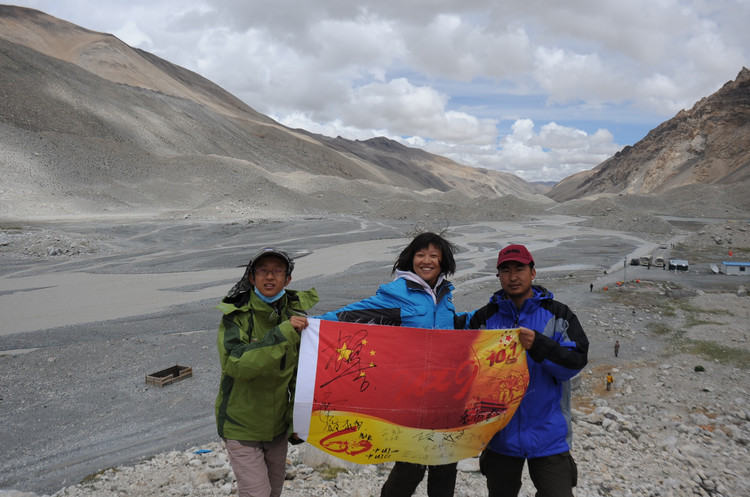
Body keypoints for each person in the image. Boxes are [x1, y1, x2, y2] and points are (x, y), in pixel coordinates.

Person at [317, 232, 464, 497]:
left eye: (434, 256)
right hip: (411, 396)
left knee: (445, 466)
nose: (427, 260)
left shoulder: (445, 296)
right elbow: (354, 314)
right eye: (421, 255)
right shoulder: (397, 293)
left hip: (443, 397)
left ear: (443, 262)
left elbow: (453, 327)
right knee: (411, 467)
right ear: (411, 259)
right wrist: (314, 323)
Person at [467, 244, 589, 497]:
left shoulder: (558, 314)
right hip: (500, 436)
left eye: (519, 269)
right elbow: (463, 364)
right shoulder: (483, 318)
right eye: (506, 270)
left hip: (548, 435)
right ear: (498, 276)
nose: (513, 277)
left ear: (533, 273)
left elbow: (574, 363)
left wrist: (539, 346)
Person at [215, 247, 319, 497]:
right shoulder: (236, 316)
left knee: (273, 492)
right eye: (263, 271)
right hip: (242, 427)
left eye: (277, 271)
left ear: (288, 279)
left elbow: (300, 375)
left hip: (277, 429)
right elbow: (236, 365)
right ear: (251, 277)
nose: (269, 277)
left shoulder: (296, 316)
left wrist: (297, 421)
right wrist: (282, 333)